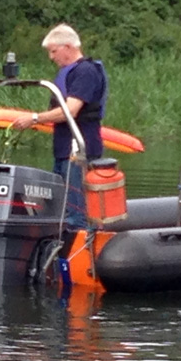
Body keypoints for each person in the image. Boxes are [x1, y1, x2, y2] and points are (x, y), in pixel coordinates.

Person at [10, 24, 107, 231]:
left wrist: (34, 118)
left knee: (76, 212)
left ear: (68, 47)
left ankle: (81, 251)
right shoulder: (69, 73)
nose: (51, 57)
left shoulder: (85, 72)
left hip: (80, 151)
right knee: (63, 208)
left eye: (53, 51)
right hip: (64, 150)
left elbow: (70, 111)